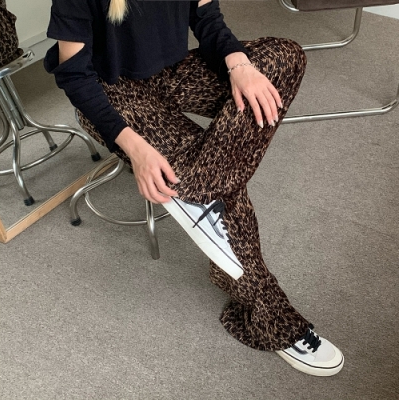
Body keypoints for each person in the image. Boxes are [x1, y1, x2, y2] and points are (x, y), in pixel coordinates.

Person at [44, 0, 344, 376]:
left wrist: (239, 65)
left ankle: (200, 189)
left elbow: (206, 18)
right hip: (113, 94)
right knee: (225, 187)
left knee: (284, 56)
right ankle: (272, 319)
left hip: (173, 73)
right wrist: (134, 148)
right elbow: (75, 75)